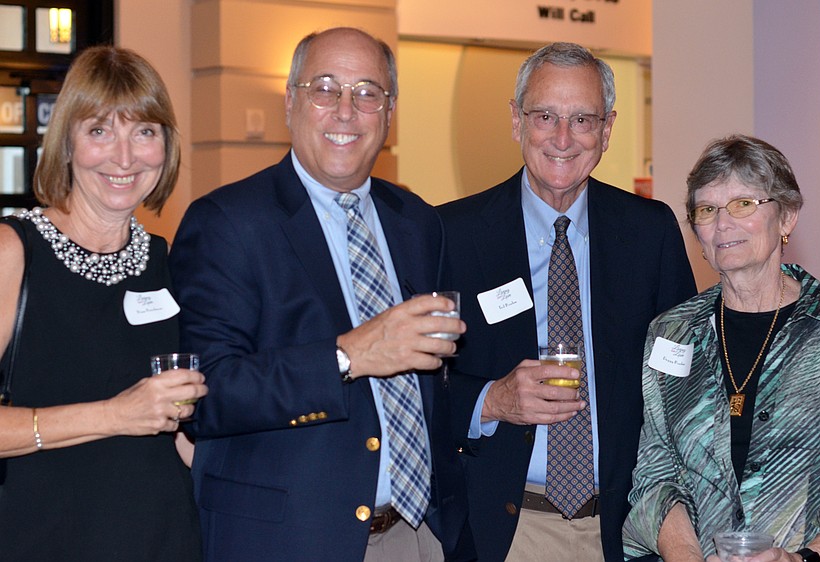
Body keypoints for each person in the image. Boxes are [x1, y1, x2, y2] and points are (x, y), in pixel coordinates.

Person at [168, 27, 475, 561]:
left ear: (388, 112)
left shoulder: (418, 222)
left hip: (420, 537)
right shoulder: (228, 222)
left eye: (366, 93)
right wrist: (347, 356)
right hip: (290, 541)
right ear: (291, 101)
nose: (346, 111)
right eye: (326, 88)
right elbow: (206, 396)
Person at [438, 42, 697, 561]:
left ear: (607, 129)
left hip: (625, 530)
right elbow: (412, 386)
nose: (562, 138)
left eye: (582, 119)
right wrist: (491, 400)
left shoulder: (650, 233)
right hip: (502, 532)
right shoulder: (450, 235)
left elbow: (684, 382)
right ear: (516, 121)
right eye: (545, 116)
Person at [0, 46, 207, 560]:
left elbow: (177, 434)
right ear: (67, 143)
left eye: (144, 132)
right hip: (45, 539)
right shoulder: (13, 250)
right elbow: (128, 415)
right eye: (99, 131)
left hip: (166, 540)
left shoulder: (167, 260)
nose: (124, 156)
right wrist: (115, 414)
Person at [623, 134, 820, 562]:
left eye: (743, 204)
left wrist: (806, 559)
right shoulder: (672, 333)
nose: (722, 224)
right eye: (707, 210)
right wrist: (687, 557)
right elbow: (656, 473)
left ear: (786, 217)